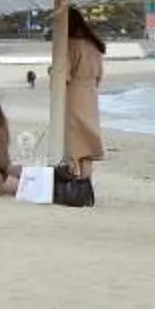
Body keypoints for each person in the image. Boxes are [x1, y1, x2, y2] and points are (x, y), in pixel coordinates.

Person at [60, 14, 107, 186]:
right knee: (87, 144)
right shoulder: (93, 45)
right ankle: (86, 185)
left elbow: (63, 76)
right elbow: (99, 75)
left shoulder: (69, 45)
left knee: (72, 142)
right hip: (91, 94)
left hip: (73, 94)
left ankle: (73, 184)